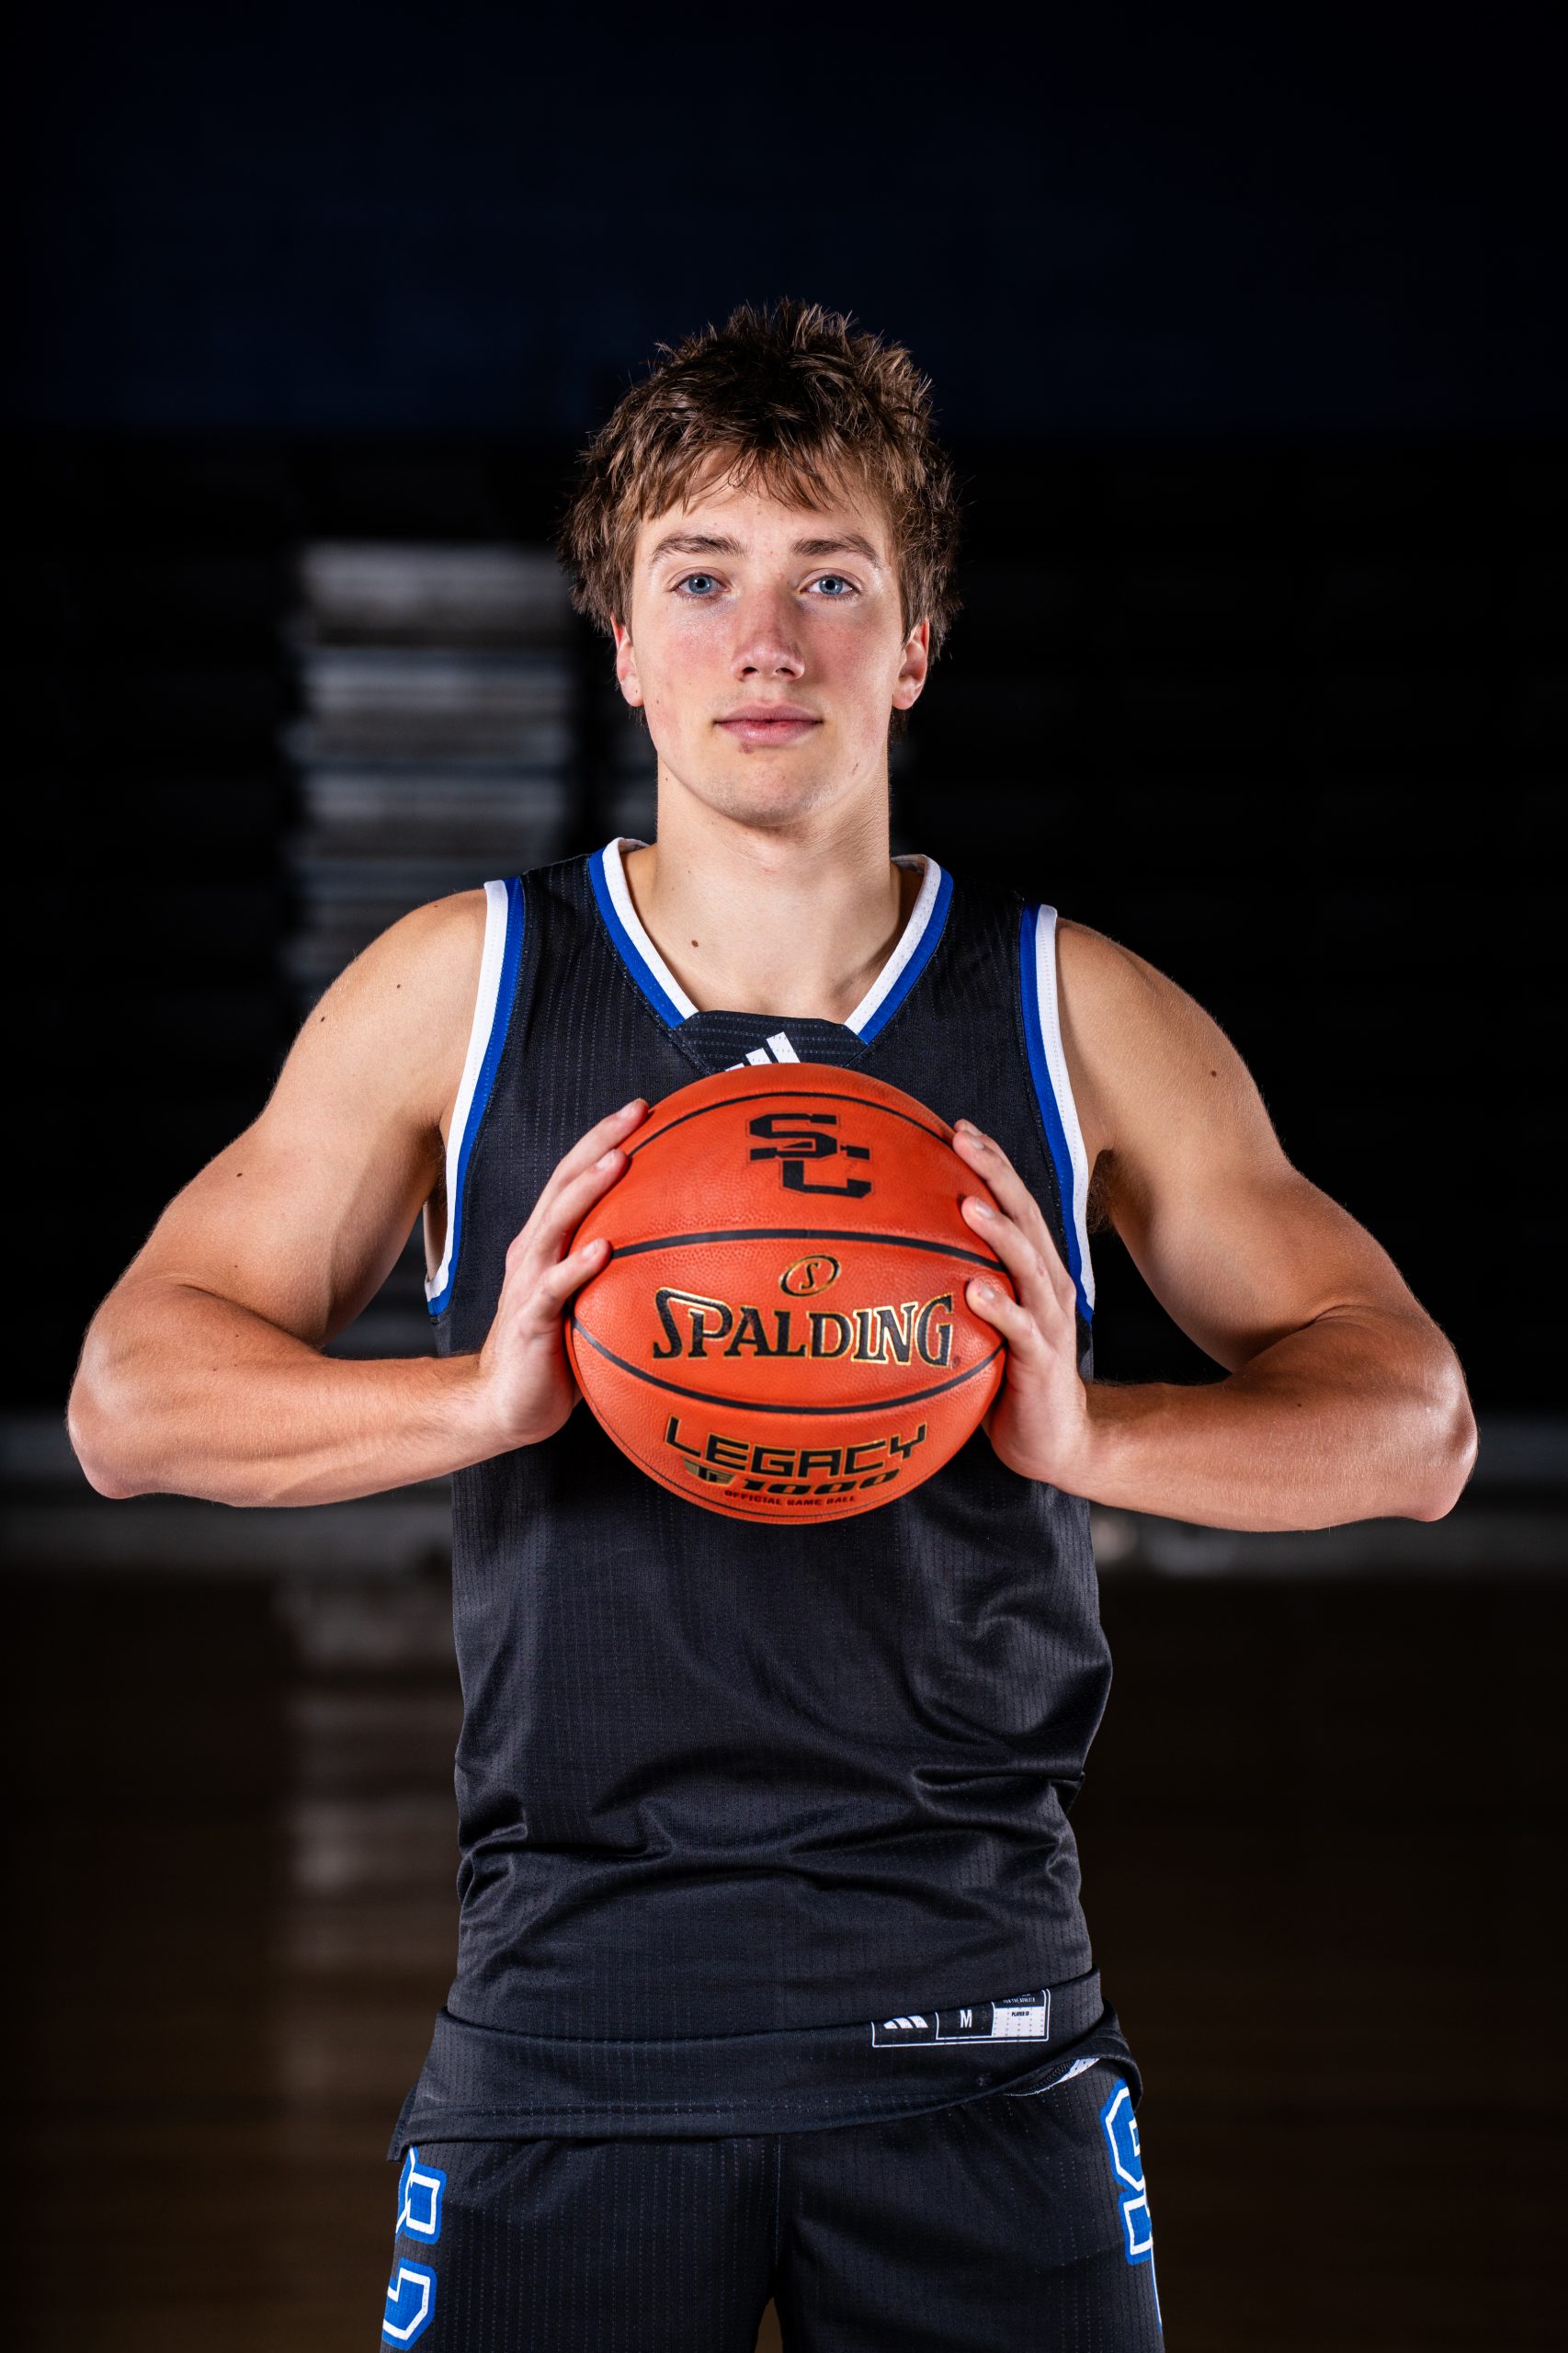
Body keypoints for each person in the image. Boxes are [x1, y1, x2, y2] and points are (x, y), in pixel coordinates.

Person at [67, 300, 1476, 2351]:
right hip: (573, 2011)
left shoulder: (1070, 1011)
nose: (765, 641)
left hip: (977, 2012)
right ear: (622, 645)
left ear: (913, 646)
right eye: (699, 578)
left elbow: (1415, 1424)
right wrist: (482, 1397)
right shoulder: (465, 989)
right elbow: (129, 1399)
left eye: (831, 579)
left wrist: (1095, 1438)